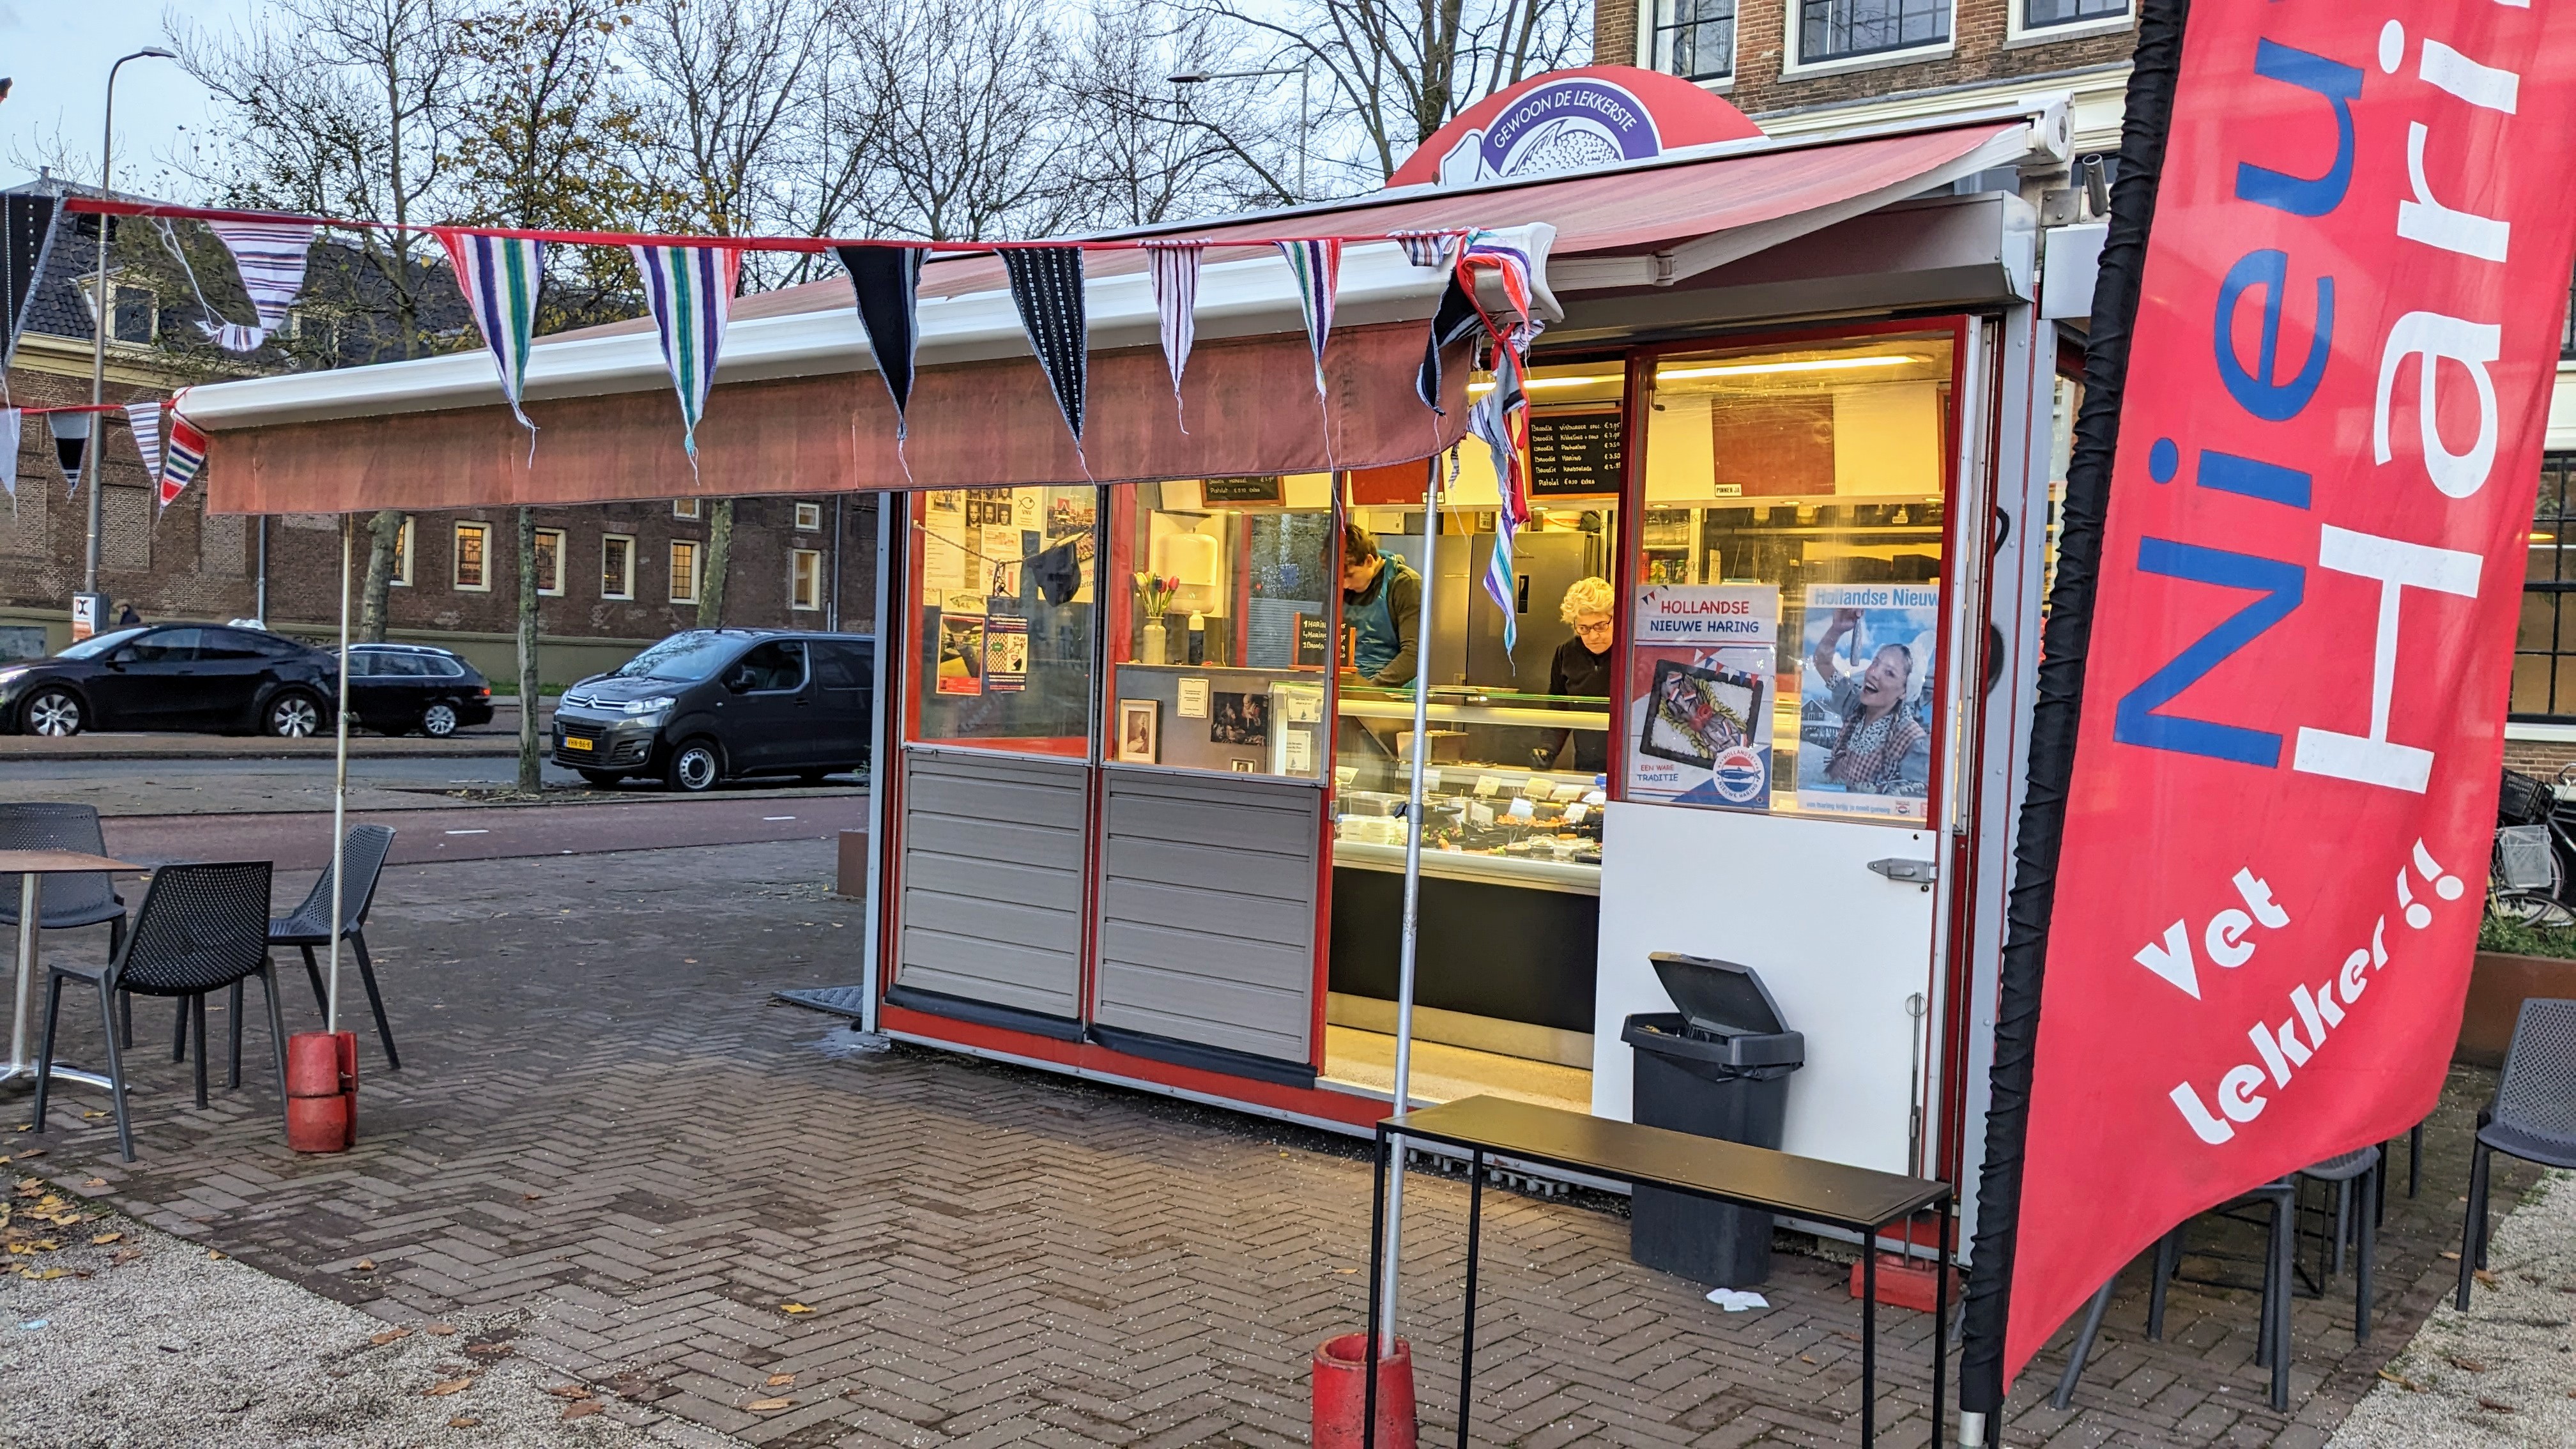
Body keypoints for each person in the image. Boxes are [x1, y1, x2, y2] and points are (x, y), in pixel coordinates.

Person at [1810, 607, 1929, 794]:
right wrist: (1837, 629)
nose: (1873, 673)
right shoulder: (1854, 704)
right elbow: (1822, 662)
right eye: (1876, 663)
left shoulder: (1912, 739)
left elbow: (1916, 796)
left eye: (1889, 673)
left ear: (1905, 692)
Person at [1536, 576, 1615, 772]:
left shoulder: (1634, 653)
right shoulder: (1566, 653)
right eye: (1584, 628)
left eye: (1601, 625)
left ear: (1616, 618)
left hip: (1631, 764)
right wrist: (1547, 749)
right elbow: (1558, 708)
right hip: (1586, 764)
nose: (1593, 636)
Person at [1339, 521, 1421, 688]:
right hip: (1348, 690)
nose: (1345, 585)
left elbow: (1414, 655)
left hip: (1393, 696)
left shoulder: (1405, 584)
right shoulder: (1341, 588)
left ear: (1369, 561)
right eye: (1340, 578)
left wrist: (1370, 692)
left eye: (1350, 576)